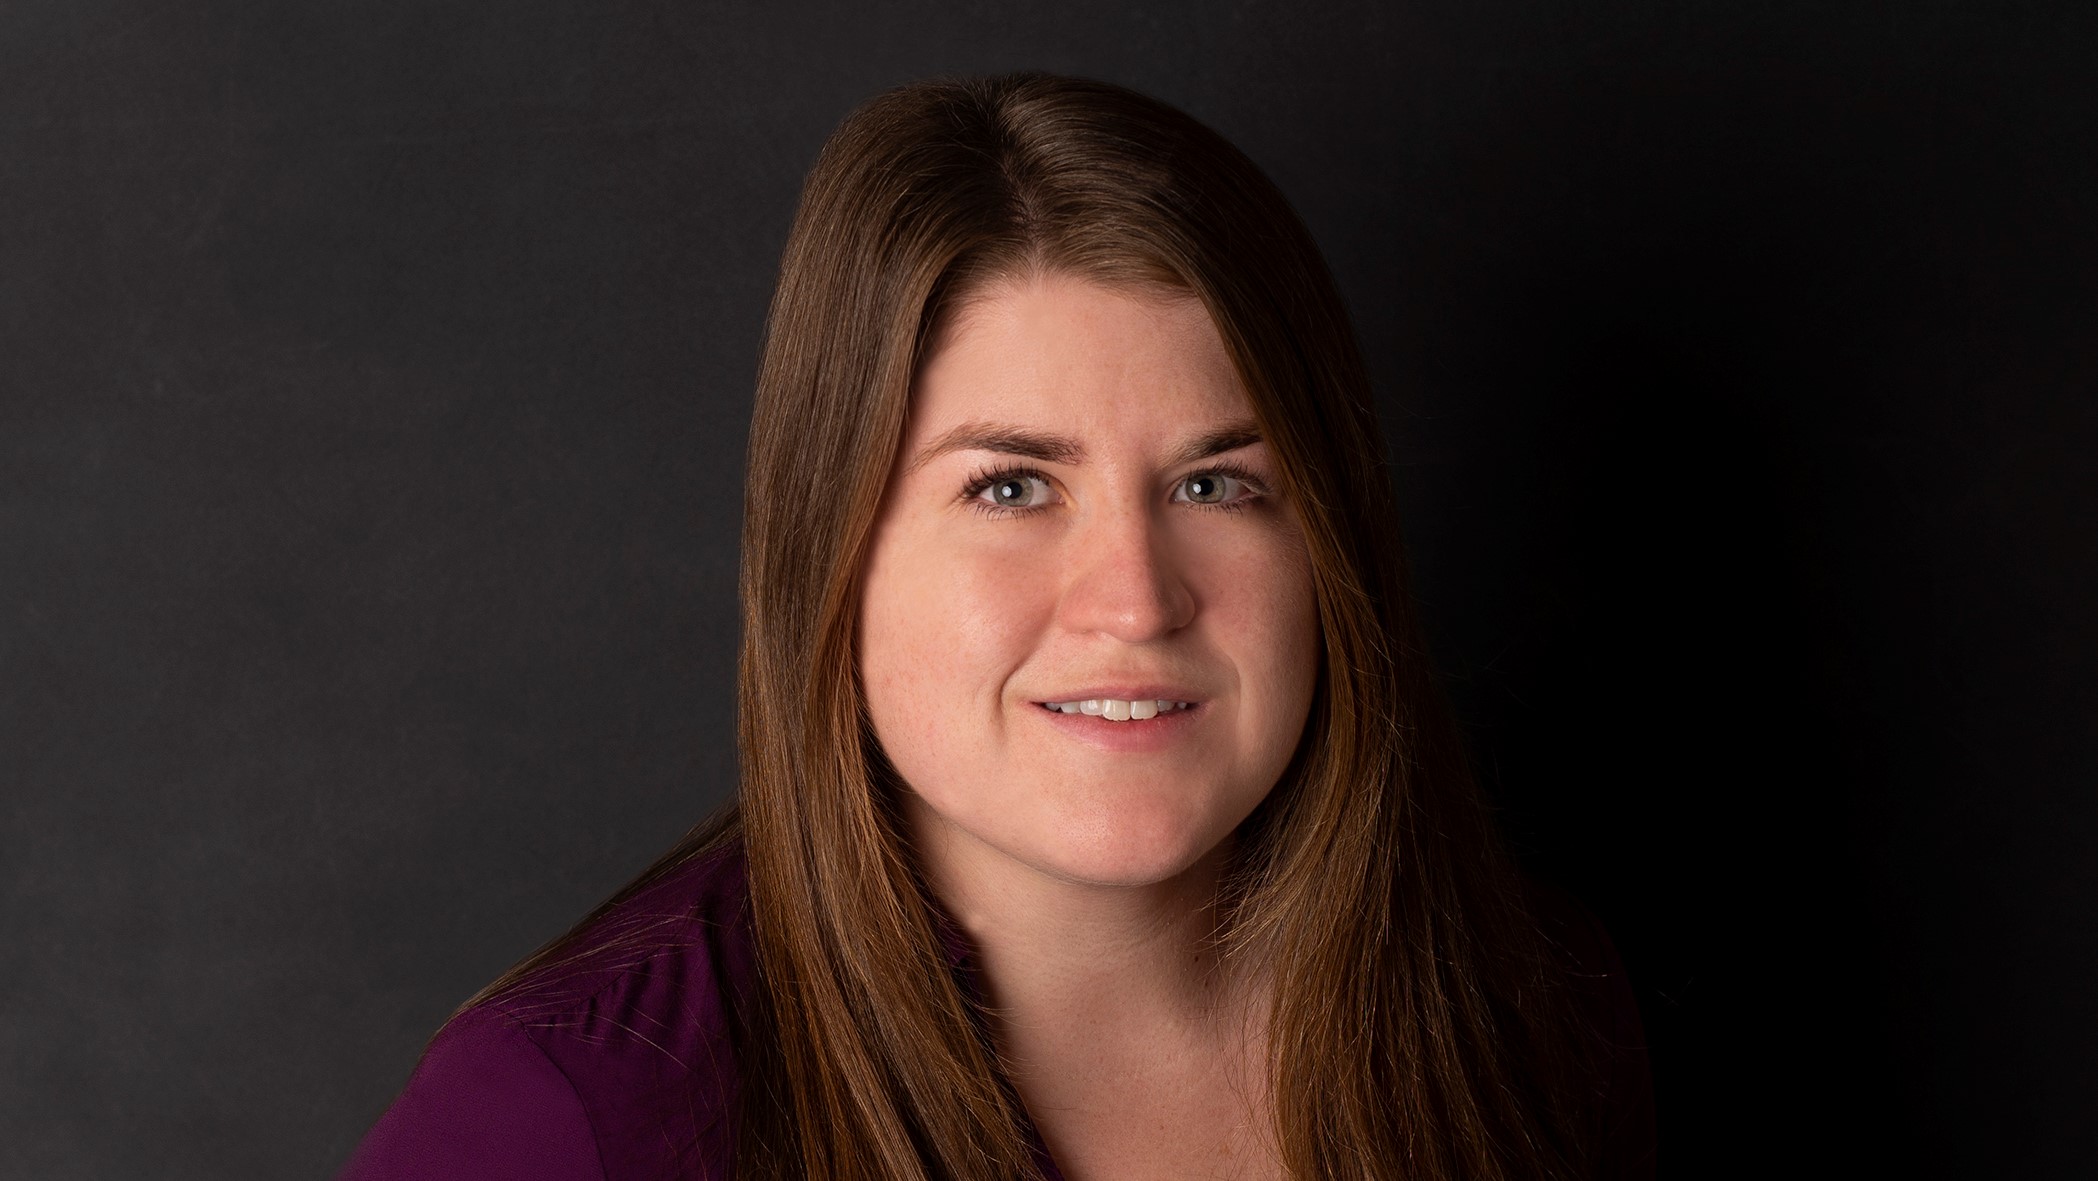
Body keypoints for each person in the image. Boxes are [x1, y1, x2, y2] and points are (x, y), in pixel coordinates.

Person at [339, 72, 1653, 1181]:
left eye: (1216, 484)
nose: (1136, 599)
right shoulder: (572, 1119)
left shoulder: (1523, 1009)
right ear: (829, 551)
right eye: (1009, 487)